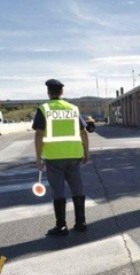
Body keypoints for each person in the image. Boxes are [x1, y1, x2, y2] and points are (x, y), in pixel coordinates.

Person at [33, 79, 90, 236]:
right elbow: (83, 132)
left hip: (54, 157)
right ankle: (81, 222)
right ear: (62, 92)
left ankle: (61, 226)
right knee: (77, 188)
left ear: (48, 92)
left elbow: (39, 134)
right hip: (74, 155)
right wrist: (87, 152)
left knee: (58, 191)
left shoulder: (44, 109)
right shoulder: (73, 109)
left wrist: (38, 157)